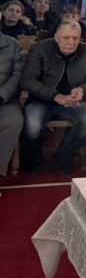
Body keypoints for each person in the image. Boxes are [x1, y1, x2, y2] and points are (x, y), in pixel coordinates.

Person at [20, 20, 86, 173]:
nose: (71, 42)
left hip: (72, 101)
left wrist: (82, 90)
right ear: (56, 37)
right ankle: (34, 159)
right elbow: (27, 80)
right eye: (66, 38)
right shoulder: (40, 48)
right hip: (42, 99)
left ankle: (63, 157)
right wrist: (55, 96)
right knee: (32, 125)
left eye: (75, 38)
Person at [0, 29, 25, 176]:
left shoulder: (12, 44)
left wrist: (2, 95)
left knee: (14, 120)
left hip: (5, 99)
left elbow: (18, 74)